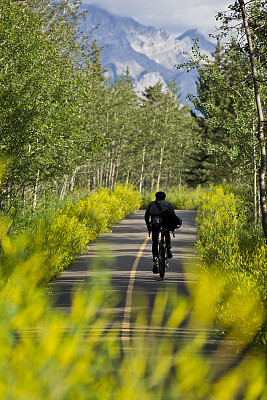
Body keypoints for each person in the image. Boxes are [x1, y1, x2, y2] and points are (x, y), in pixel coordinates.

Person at [145, 191, 181, 274]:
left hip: (155, 224)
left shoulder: (151, 204)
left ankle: (155, 259)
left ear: (156, 197)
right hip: (166, 223)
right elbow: (173, 216)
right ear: (164, 198)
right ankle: (168, 247)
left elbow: (146, 217)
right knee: (167, 232)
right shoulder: (168, 204)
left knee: (155, 241)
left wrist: (149, 228)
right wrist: (173, 227)